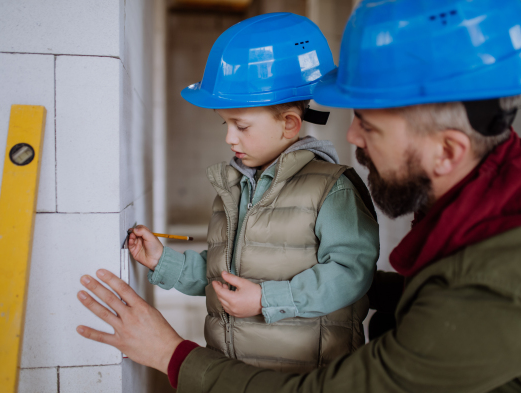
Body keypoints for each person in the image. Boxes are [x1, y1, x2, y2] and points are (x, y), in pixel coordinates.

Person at [76, 0, 521, 393]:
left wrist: (171, 354)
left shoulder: (501, 293)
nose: (351, 135)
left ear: (448, 150)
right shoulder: (501, 193)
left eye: (371, 125)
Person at [124, 12, 379, 374]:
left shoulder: (330, 189)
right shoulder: (235, 188)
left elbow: (352, 272)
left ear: (289, 124)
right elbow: (222, 276)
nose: (229, 138)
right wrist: (162, 261)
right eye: (226, 124)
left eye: (241, 125)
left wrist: (266, 300)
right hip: (237, 375)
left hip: (308, 379)